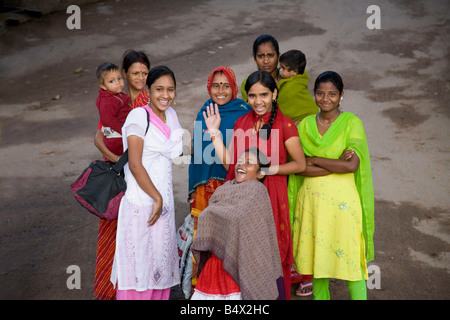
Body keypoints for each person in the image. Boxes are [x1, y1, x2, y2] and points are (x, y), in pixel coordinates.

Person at [203, 70, 306, 299]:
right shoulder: (242, 121)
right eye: (252, 96)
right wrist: (214, 133)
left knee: (271, 254)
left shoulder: (285, 125)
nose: (258, 101)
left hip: (271, 197)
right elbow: (230, 162)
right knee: (245, 254)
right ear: (246, 96)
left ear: (274, 94)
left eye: (264, 95)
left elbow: (300, 164)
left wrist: (267, 170)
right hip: (244, 199)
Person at [290, 71, 375, 300]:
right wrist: (336, 163)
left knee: (352, 265)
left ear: (341, 95)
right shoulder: (305, 125)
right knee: (319, 266)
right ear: (314, 95)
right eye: (320, 93)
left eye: (332, 94)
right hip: (312, 207)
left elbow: (351, 166)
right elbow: (298, 167)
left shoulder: (351, 123)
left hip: (343, 208)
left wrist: (315, 159)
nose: (325, 98)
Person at [110, 66, 183, 300]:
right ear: (148, 90)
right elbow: (134, 163)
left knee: (159, 266)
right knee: (139, 268)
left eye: (170, 90)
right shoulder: (138, 116)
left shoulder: (171, 115)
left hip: (164, 205)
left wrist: (162, 200)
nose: (165, 95)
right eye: (159, 89)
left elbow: (172, 154)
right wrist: (157, 197)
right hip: (142, 203)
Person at [92, 50, 150, 301]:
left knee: (142, 231)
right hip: (117, 174)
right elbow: (99, 136)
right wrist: (117, 159)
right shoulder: (114, 100)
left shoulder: (151, 100)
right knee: (113, 228)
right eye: (134, 73)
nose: (140, 77)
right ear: (124, 75)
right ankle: (110, 290)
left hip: (143, 174)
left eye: (145, 73)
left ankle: (141, 289)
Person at [191, 148, 285, 300]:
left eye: (249, 163)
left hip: (244, 264)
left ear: (260, 174)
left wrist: (215, 214)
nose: (242, 165)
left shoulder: (257, 191)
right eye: (240, 161)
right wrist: (215, 215)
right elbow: (208, 217)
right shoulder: (224, 189)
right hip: (216, 264)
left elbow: (234, 218)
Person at [188, 66, 251, 291]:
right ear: (209, 87)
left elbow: (240, 158)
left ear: (234, 88)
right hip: (204, 189)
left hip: (231, 186)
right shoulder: (204, 112)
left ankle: (231, 289)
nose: (221, 90)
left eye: (226, 85)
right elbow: (197, 156)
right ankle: (205, 288)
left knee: (229, 241)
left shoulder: (244, 112)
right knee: (205, 239)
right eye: (216, 85)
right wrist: (192, 190)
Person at [95, 62, 131, 158]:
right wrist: (125, 132)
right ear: (103, 86)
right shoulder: (107, 101)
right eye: (111, 81)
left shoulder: (115, 95)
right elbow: (109, 120)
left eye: (119, 78)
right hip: (117, 137)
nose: (118, 83)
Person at [277, 49, 319, 126]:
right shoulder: (300, 77)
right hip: (311, 115)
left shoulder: (289, 88)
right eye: (280, 67)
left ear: (294, 72)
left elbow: (278, 104)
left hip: (305, 118)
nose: (280, 70)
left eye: (283, 68)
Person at [241, 34, 281, 102]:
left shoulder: (290, 79)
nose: (266, 61)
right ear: (255, 58)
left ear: (278, 56)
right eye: (261, 56)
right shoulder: (248, 83)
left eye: (271, 55)